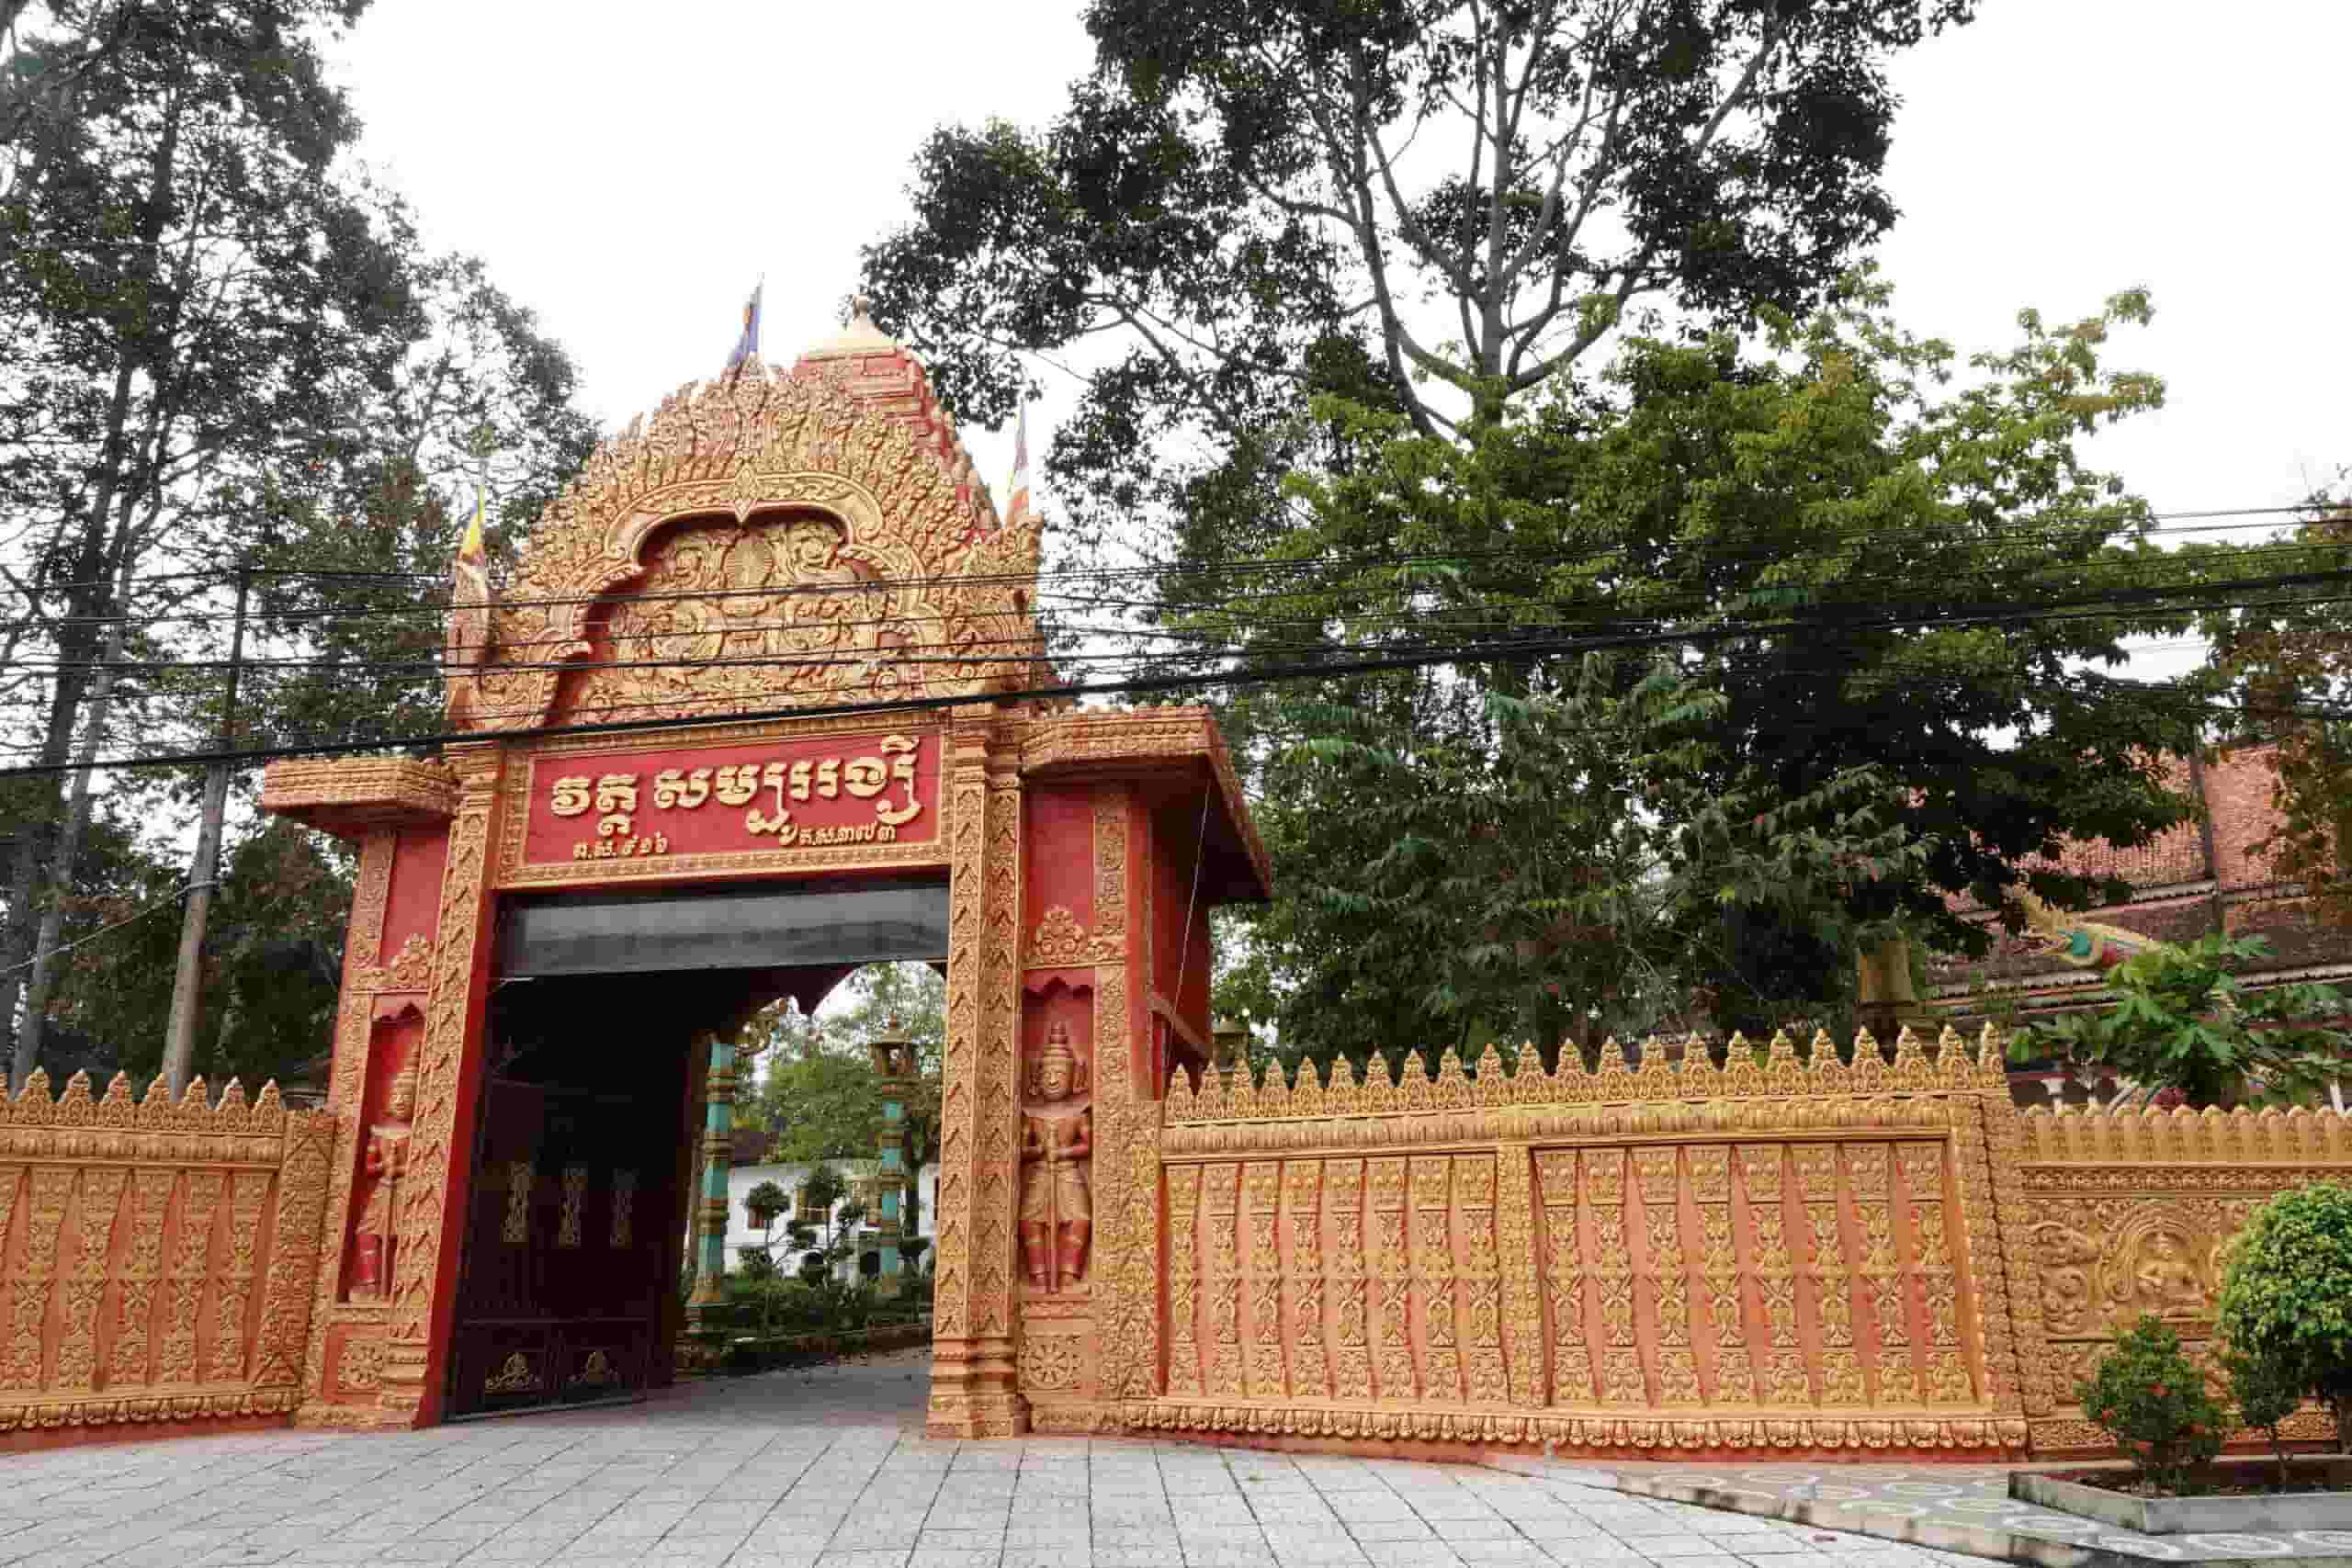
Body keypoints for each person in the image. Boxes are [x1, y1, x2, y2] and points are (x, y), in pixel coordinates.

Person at [1019, 1024, 1092, 1291]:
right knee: (1029, 1220)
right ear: (1037, 1077)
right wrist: (1039, 1151)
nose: (1052, 1079)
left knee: (1082, 1218)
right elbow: (1021, 1149)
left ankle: (1068, 1276)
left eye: (1059, 1074)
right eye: (1047, 1073)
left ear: (1074, 1078)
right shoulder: (1032, 1114)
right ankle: (1039, 1277)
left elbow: (1087, 1145)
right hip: (1041, 1172)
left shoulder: (1079, 1113)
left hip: (1068, 1171)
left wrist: (1062, 1151)